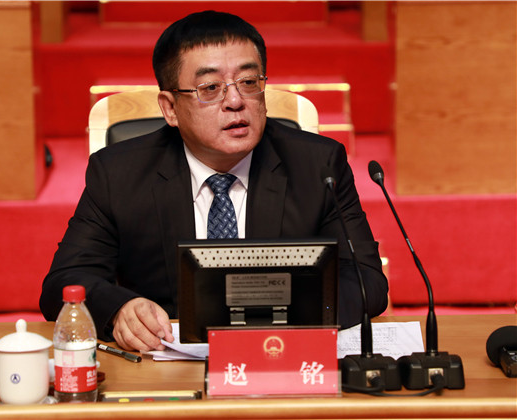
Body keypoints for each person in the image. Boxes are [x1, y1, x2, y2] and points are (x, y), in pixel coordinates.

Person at [39, 10, 388, 352]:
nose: (235, 101)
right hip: (167, 364)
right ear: (170, 108)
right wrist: (120, 310)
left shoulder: (317, 166)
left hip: (279, 353)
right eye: (210, 88)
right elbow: (64, 282)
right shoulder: (119, 173)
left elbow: (367, 281)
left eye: (249, 83)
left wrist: (278, 310)